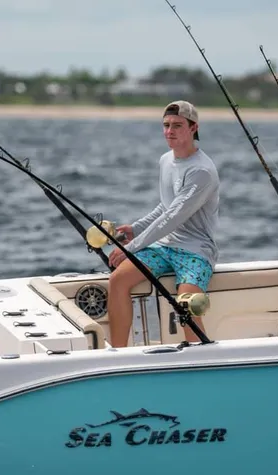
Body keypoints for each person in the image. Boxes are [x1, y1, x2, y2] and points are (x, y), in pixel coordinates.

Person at [106, 100, 220, 347]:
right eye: (166, 125)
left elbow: (172, 217)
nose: (170, 131)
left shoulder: (202, 171)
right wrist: (136, 227)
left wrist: (130, 248)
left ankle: (199, 358)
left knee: (186, 303)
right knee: (117, 280)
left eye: (177, 125)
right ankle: (117, 354)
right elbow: (166, 206)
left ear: (193, 128)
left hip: (195, 250)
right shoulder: (165, 160)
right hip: (163, 247)